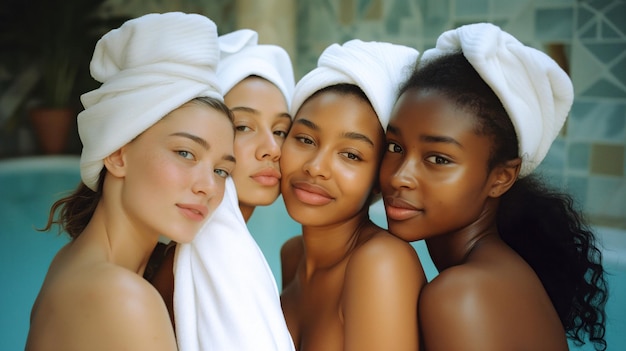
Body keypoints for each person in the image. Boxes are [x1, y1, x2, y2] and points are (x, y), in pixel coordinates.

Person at [379, 23, 608, 351]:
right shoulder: (497, 272)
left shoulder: (461, 295)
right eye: (395, 147)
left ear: (501, 177)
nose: (400, 175)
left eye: (439, 159)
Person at [25, 12, 235, 351]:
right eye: (185, 153)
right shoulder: (124, 298)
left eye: (221, 170)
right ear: (117, 154)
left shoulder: (73, 261)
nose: (208, 187)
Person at [147, 29, 297, 350]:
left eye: (281, 130)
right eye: (243, 127)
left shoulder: (236, 253)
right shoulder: (198, 262)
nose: (271, 148)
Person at [279, 39, 426, 351]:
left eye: (351, 155)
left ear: (378, 179)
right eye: (305, 139)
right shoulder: (292, 256)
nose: (316, 167)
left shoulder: (381, 264)